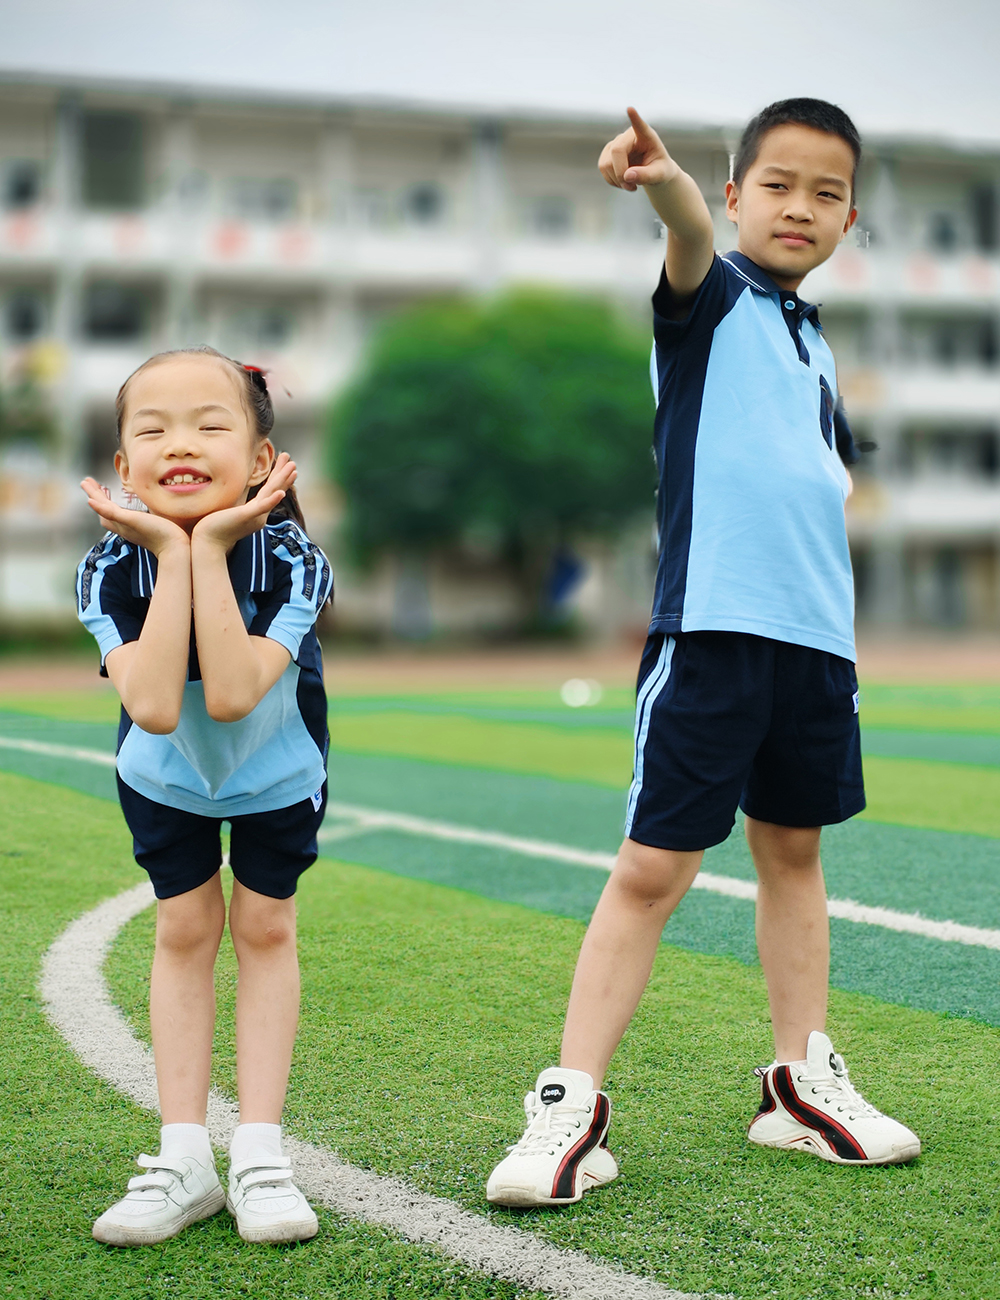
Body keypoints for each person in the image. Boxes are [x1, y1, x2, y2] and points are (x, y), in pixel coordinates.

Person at [486, 98, 920, 1209]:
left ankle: (797, 1083)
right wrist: (664, 182)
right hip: (712, 636)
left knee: (794, 858)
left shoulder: (812, 339)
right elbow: (681, 236)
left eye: (827, 194)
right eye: (776, 184)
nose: (800, 208)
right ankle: (570, 1102)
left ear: (849, 217)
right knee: (651, 870)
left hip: (817, 650)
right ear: (736, 196)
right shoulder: (711, 296)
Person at [76, 346, 334, 1245]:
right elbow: (151, 707)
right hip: (165, 773)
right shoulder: (108, 569)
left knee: (265, 929)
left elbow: (229, 694)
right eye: (152, 429)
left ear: (263, 459)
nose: (179, 443)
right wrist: (172, 551)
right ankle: (185, 1158)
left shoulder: (296, 558)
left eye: (210, 425)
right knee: (184, 930)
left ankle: (260, 1154)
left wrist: (210, 545)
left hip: (277, 772)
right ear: (123, 467)